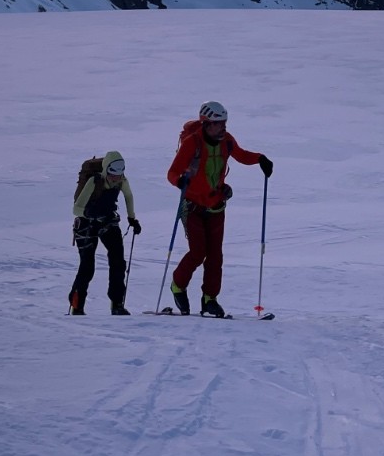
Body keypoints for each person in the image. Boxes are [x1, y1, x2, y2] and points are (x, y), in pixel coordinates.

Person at [165, 101, 273, 318]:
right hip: (192, 206)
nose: (223, 127)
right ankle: (178, 285)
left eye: (224, 123)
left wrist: (260, 159)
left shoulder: (226, 141)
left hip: (216, 206)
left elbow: (241, 154)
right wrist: (180, 182)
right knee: (198, 252)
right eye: (218, 123)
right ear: (206, 124)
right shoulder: (191, 143)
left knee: (215, 256)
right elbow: (172, 173)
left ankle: (209, 299)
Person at [70, 151, 141, 315]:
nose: (116, 178)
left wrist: (132, 219)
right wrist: (88, 214)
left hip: (107, 221)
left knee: (118, 262)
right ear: (105, 170)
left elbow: (129, 196)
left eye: (119, 173)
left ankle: (117, 304)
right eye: (112, 173)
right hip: (86, 225)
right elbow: (77, 208)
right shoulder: (94, 181)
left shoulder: (121, 180)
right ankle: (77, 306)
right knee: (87, 266)